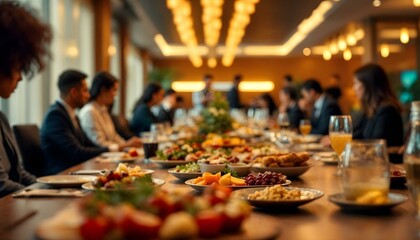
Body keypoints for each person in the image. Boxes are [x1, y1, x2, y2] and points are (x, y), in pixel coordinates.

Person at [0, 1, 52, 197]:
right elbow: (1, 186)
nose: (21, 77)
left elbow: (19, 174)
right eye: (18, 67)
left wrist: (51, 188)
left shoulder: (1, 118)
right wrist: (46, 195)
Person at [41, 70, 108, 175]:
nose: (88, 95)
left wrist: (112, 151)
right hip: (61, 175)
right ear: (74, 92)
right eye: (85, 90)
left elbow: (88, 144)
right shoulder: (55, 115)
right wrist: (109, 149)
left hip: (76, 170)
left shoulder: (72, 114)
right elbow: (77, 152)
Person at [78, 72, 142, 151]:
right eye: (114, 90)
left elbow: (114, 136)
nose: (115, 95)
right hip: (96, 158)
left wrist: (129, 147)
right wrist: (126, 145)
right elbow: (99, 143)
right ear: (103, 90)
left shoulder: (103, 109)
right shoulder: (89, 111)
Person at [352, 63, 404, 156]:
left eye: (355, 83)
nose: (354, 88)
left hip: (388, 167)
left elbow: (376, 145)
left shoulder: (387, 110)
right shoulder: (372, 109)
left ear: (368, 85)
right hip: (371, 164)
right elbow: (358, 134)